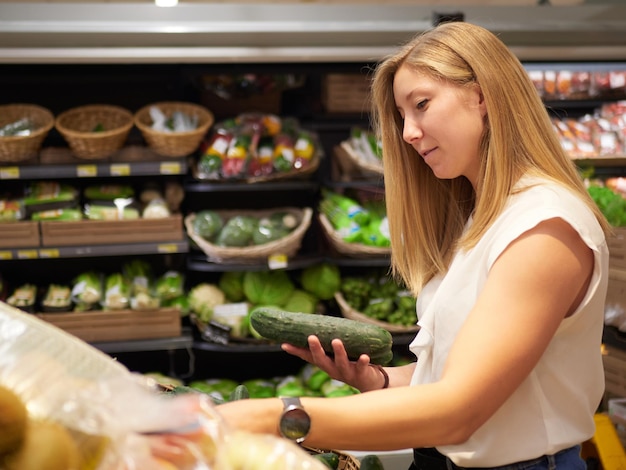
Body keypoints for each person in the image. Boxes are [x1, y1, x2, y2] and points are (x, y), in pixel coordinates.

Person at [217, 21, 611, 469]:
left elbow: (458, 411)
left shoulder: (544, 226)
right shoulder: (482, 219)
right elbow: (462, 375)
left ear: (481, 96)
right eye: (403, 116)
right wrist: (380, 381)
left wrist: (277, 415)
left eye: (421, 105)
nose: (407, 133)